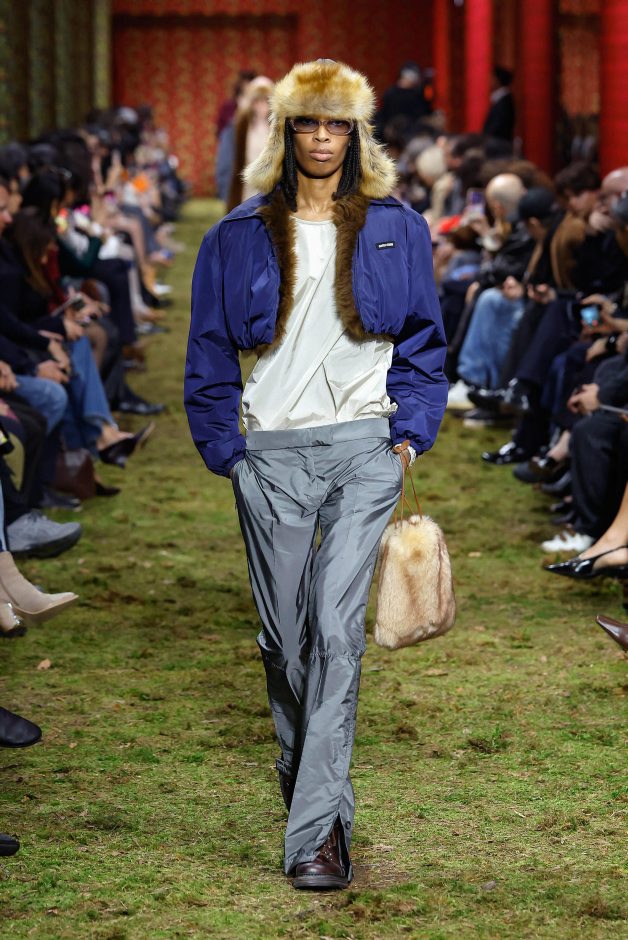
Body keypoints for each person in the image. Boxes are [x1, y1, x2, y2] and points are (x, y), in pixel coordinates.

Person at [185, 59, 447, 890]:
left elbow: (425, 341)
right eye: (310, 121)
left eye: (339, 123)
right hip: (270, 453)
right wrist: (228, 452)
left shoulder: (398, 226)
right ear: (287, 130)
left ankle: (316, 839)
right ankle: (314, 788)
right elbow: (207, 348)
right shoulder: (236, 235)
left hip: (366, 450)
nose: (324, 138)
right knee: (285, 641)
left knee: (335, 634)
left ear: (357, 133)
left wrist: (407, 437)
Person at [483, 67, 516, 142]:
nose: (489, 81)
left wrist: (484, 139)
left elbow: (497, 127)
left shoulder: (505, 101)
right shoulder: (502, 99)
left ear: (497, 80)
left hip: (499, 143)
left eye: (492, 78)